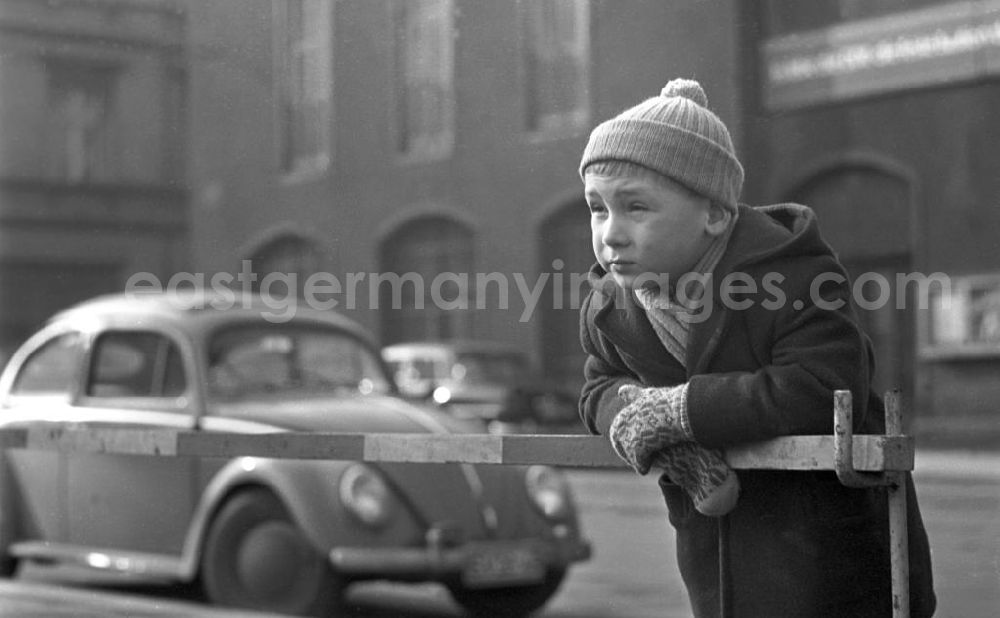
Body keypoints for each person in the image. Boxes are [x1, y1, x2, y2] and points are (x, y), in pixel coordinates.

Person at [577, 77, 936, 617]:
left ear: (715, 214)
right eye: (598, 208)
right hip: (718, 564)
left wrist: (680, 410)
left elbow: (821, 388)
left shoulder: (795, 275)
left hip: (831, 557)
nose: (611, 233)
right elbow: (594, 387)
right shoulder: (609, 305)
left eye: (636, 208)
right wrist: (637, 418)